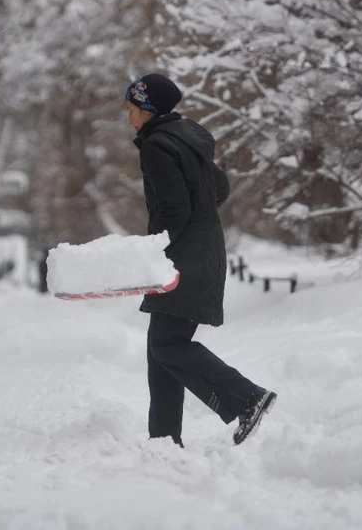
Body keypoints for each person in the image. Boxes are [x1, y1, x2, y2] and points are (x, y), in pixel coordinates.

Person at [124, 73, 277, 447]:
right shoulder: (187, 138)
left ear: (148, 110)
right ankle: (163, 440)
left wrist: (154, 249)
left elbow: (173, 208)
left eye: (132, 110)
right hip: (204, 251)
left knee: (167, 346)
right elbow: (219, 188)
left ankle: (247, 399)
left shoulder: (158, 145)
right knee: (160, 349)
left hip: (183, 258)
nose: (128, 118)